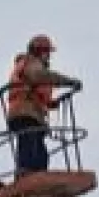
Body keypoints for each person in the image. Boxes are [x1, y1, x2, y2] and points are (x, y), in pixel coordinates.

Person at [5, 34, 82, 178]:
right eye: (47, 52)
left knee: (37, 152)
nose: (49, 57)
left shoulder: (29, 65)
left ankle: (29, 176)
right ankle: (26, 177)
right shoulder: (31, 63)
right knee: (31, 150)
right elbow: (39, 76)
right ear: (39, 51)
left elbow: (34, 92)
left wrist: (51, 103)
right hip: (26, 113)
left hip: (27, 113)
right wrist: (68, 81)